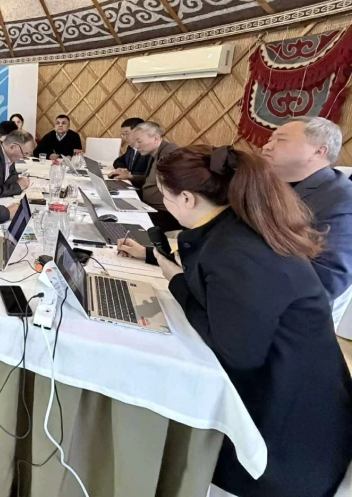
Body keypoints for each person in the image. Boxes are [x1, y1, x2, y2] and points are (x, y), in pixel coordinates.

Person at [118, 145, 352, 497]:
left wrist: (176, 283)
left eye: (166, 196)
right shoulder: (235, 227)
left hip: (286, 434)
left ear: (187, 199)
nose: (165, 203)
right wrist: (156, 258)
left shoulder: (238, 252)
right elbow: (214, 285)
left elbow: (236, 353)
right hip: (294, 398)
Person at [262, 117, 352, 323]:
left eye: (280, 140)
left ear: (319, 151)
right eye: (270, 139)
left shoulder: (341, 200)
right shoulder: (268, 185)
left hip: (287, 315)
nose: (266, 146)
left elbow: (328, 278)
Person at [110, 121, 180, 231]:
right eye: (135, 141)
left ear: (156, 138)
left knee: (121, 224)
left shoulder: (170, 154)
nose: (136, 146)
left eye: (139, 141)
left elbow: (178, 185)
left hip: (163, 213)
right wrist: (131, 177)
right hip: (148, 206)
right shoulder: (155, 153)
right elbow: (151, 179)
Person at [0, 129, 35, 197]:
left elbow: (13, 176)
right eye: (25, 154)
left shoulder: (9, 156)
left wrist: (20, 182)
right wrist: (17, 187)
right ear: (12, 147)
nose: (25, 158)